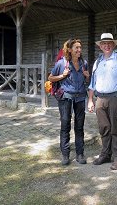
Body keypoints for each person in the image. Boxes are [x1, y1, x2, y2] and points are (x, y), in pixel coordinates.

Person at [87, 33, 117, 171]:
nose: (106, 45)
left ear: (113, 45)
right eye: (104, 43)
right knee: (104, 127)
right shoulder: (97, 62)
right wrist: (90, 100)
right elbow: (92, 83)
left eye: (109, 43)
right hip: (100, 98)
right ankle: (105, 154)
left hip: (115, 98)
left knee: (116, 128)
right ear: (100, 46)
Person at [48, 38, 90, 166]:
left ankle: (79, 154)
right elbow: (50, 78)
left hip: (81, 97)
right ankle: (65, 155)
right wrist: (62, 76)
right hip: (66, 97)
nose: (79, 50)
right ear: (70, 50)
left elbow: (88, 81)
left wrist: (87, 75)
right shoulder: (62, 63)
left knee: (79, 126)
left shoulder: (84, 63)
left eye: (80, 48)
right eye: (76, 48)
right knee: (65, 125)